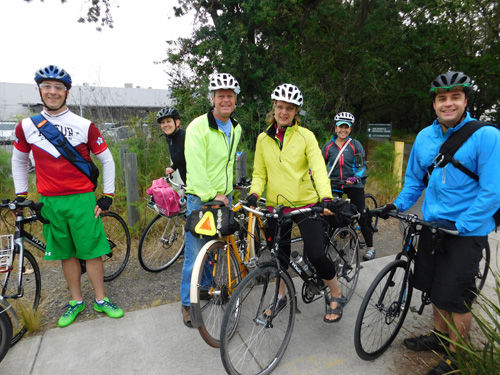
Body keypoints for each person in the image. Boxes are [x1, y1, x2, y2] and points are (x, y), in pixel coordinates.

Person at [380, 71, 500, 375]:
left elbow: (492, 191)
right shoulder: (424, 138)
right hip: (433, 226)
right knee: (434, 289)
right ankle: (438, 337)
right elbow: (414, 182)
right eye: (442, 98)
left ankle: (458, 356)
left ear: (465, 100)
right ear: (434, 104)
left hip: (465, 232)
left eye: (455, 97)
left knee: (456, 298)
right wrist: (396, 205)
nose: (448, 103)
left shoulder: (486, 136)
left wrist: (463, 224)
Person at [11, 65, 124, 327]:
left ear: (67, 92)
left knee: (92, 252)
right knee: (67, 254)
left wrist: (107, 195)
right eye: (47, 86)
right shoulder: (26, 127)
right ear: (39, 90)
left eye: (58, 87)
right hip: (51, 201)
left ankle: (100, 299)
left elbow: (107, 160)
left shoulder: (84, 125)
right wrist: (20, 195)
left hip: (83, 199)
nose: (52, 92)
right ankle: (76, 301)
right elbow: (18, 162)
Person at [247, 83, 346, 323]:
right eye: (280, 107)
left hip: (305, 203)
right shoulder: (263, 139)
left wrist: (326, 197)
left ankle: (335, 291)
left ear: (296, 112)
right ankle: (281, 296)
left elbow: (319, 169)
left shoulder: (306, 136)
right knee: (278, 256)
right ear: (274, 108)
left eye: (289, 108)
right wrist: (254, 193)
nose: (284, 112)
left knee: (315, 254)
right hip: (276, 207)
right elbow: (260, 173)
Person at [179, 73, 242, 327]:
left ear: (235, 100)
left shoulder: (236, 128)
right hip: (201, 200)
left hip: (223, 198)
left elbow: (227, 164)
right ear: (212, 99)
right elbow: (196, 165)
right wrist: (210, 195)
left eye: (230, 96)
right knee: (195, 255)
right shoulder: (198, 127)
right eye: (221, 96)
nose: (225, 100)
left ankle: (205, 291)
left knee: (214, 253)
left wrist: (228, 191)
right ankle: (187, 303)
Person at [322, 112, 375, 261]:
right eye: (340, 127)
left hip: (353, 185)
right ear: (335, 128)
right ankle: (331, 241)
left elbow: (362, 166)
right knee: (329, 213)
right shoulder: (328, 147)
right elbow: (319, 165)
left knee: (361, 214)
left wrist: (355, 177)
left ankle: (370, 247)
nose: (343, 130)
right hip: (335, 184)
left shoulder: (355, 145)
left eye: (346, 127)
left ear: (350, 129)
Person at [156, 107, 187, 184]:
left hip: (198, 185)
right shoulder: (170, 138)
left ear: (177, 122)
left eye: (168, 121)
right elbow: (180, 156)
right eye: (163, 122)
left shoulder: (186, 137)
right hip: (187, 183)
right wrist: (173, 167)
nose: (165, 125)